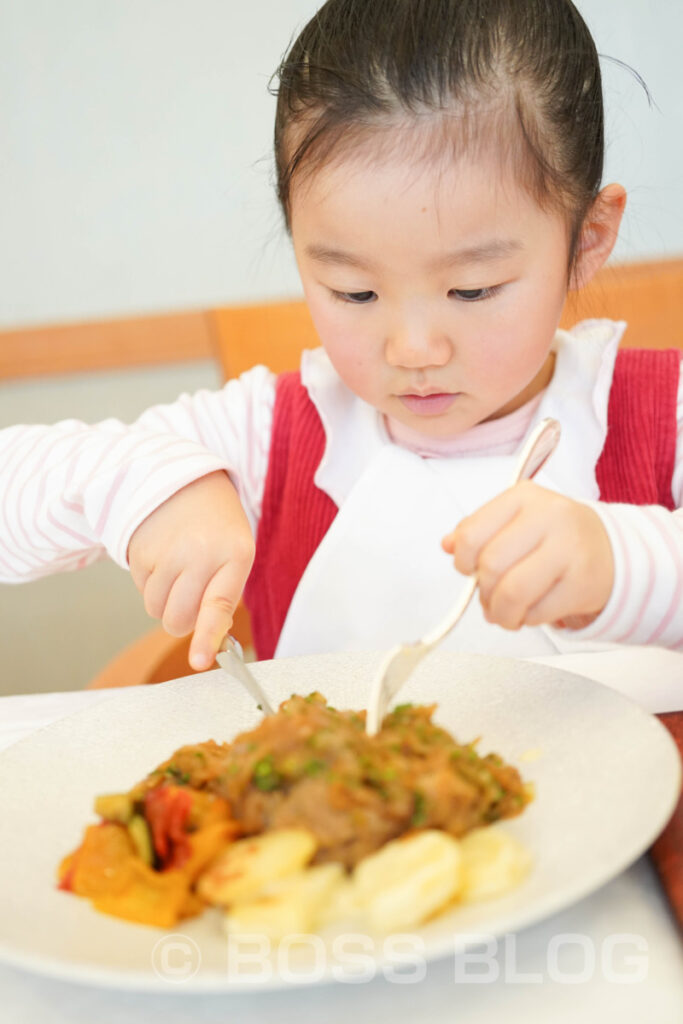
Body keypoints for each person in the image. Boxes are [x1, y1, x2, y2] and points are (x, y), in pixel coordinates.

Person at [1, 0, 681, 674]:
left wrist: (620, 564)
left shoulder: (661, 415)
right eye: (354, 293)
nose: (412, 350)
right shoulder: (269, 434)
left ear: (585, 240)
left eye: (471, 290)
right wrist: (142, 484)